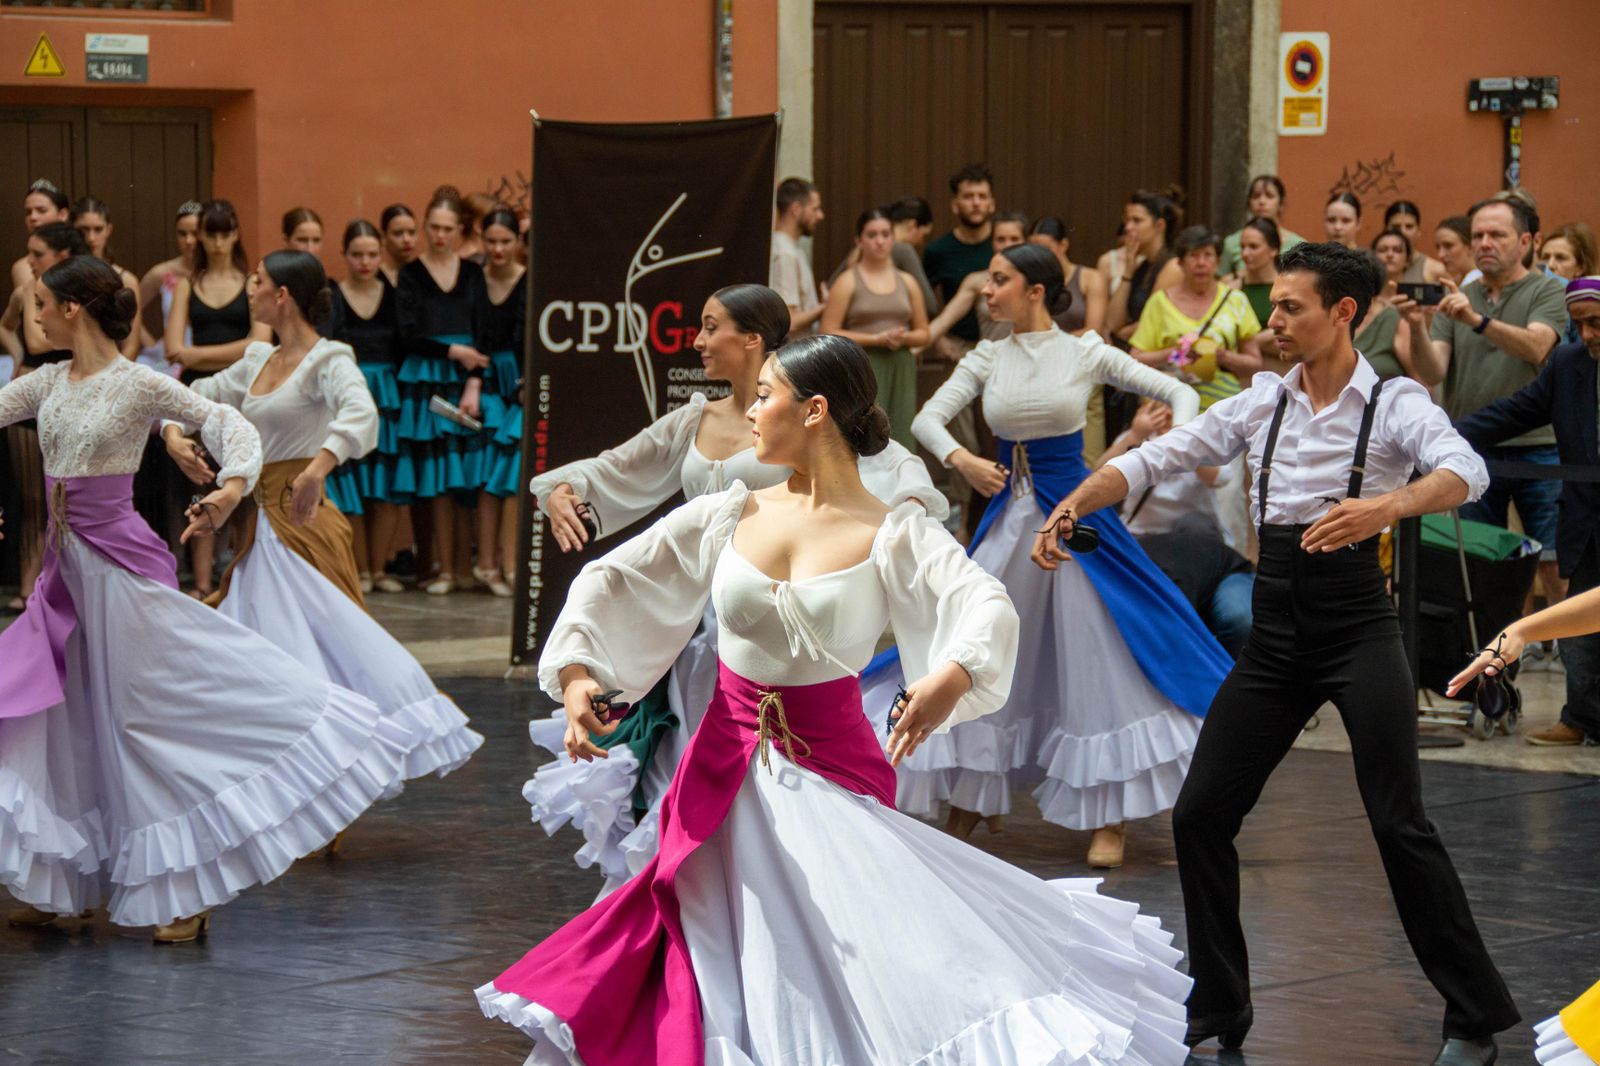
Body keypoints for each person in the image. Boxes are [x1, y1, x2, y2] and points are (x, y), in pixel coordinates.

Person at [477, 332, 1194, 1066]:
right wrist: (578, 678)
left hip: (832, 773)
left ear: (814, 410)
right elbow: (612, 579)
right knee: (718, 950)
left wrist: (948, 677)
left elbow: (982, 604)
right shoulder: (730, 512)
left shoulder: (892, 531)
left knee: (846, 959)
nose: (750, 412)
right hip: (718, 773)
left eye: (764, 396)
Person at [1042, 241, 1520, 1065]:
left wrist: (1385, 508)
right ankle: (1220, 1012)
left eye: (1290, 307)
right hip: (1275, 634)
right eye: (1274, 308)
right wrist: (1081, 495)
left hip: (1356, 628)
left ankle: (1473, 1015)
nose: (1274, 323)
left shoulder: (1395, 402)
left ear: (1344, 312)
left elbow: (1464, 471)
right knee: (1199, 817)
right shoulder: (1262, 401)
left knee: (1398, 822)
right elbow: (1164, 453)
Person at [0, 255, 407, 943]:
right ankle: (66, 880)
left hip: (122, 574)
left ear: (73, 309)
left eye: (40, 302)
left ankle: (187, 886)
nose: (31, 313)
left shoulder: (136, 385)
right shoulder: (45, 382)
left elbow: (231, 426)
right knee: (64, 716)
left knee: (142, 721)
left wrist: (231, 486)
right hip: (64, 579)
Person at [524, 284, 946, 894]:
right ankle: (685, 906)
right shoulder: (696, 421)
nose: (696, 340)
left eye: (709, 325)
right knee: (686, 776)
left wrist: (888, 526)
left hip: (774, 628)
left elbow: (890, 470)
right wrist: (567, 487)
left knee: (765, 791)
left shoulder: (808, 424)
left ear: (751, 339)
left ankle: (758, 903)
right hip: (687, 630)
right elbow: (620, 467)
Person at [878, 243, 1226, 871]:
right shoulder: (988, 355)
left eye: (1000, 282)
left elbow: (1180, 394)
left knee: (1098, 658)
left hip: (1078, 526)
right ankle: (970, 795)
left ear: (1036, 290)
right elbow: (928, 419)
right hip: (1010, 523)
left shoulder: (1084, 350)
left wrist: (1160, 450)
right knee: (977, 645)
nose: (987, 292)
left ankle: (1109, 815)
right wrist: (962, 459)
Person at [163, 248, 482, 818]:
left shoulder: (328, 359)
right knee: (262, 665)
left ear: (281, 295)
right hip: (260, 529)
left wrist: (318, 467)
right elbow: (193, 398)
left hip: (305, 527)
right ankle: (283, 791)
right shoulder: (257, 359)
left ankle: (326, 795)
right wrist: (170, 430)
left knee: (321, 665)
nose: (249, 290)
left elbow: (361, 415)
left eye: (256, 281)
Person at [1402, 195, 1570, 613]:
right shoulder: (1458, 296)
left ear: (1527, 241)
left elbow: (1536, 346)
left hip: (1542, 447)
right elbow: (1435, 369)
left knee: (1553, 562)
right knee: (1480, 562)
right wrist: (1416, 327)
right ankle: (1493, 661)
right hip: (1470, 447)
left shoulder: (1549, 289)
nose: (1484, 243)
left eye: (1497, 234)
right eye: (1477, 235)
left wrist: (1476, 320)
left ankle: (1570, 663)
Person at [1454, 276, 1600, 748]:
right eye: (1579, 325)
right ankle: (1580, 718)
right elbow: (1515, 412)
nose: (1588, 334)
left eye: (1596, 322)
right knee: (1579, 631)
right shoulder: (1568, 362)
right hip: (1587, 520)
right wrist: (1438, 436)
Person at [164, 199, 272, 597]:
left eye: (226, 233)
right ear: (201, 236)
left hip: (241, 389)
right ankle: (204, 583)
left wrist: (198, 354)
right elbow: (174, 348)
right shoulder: (188, 284)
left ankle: (241, 577)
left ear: (237, 234)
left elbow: (260, 344)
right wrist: (202, 355)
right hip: (196, 392)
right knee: (199, 481)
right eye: (212, 233)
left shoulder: (250, 282)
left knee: (241, 481)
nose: (218, 241)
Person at [1097, 398, 1253, 656]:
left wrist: (1182, 442)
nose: (1163, 415)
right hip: (1144, 546)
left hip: (1199, 546)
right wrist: (1136, 435)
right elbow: (1097, 474)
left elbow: (1221, 479)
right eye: (1154, 407)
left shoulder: (1200, 439)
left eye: (1169, 407)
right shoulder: (1135, 437)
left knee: (1241, 621)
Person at [395, 185, 490, 595]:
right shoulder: (411, 273)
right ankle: (441, 567)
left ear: (459, 230)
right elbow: (406, 334)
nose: (439, 235)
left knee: (464, 474)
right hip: (427, 378)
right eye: (432, 227)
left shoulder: (473, 273)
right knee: (432, 474)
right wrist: (452, 350)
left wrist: (474, 379)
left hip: (464, 378)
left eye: (447, 228)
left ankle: (465, 569)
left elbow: (484, 329)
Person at [0, 223, 88, 614]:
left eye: (38, 254)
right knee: (33, 502)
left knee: (68, 498)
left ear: (62, 256)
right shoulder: (26, 291)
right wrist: (18, 355)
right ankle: (28, 590)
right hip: (30, 400)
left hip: (71, 396)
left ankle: (61, 589)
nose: (30, 261)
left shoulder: (79, 294)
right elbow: (30, 338)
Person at [325, 219, 411, 592]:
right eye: (357, 254)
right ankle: (357, 570)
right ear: (344, 255)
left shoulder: (393, 294)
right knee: (356, 486)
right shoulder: (333, 296)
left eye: (372, 254)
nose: (364, 261)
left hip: (388, 397)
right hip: (350, 396)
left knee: (385, 486)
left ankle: (380, 569)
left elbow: (405, 345)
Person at [819, 207, 930, 449]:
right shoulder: (847, 280)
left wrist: (902, 338)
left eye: (885, 234)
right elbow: (828, 330)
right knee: (864, 432)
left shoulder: (907, 281)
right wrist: (876, 339)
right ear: (859, 240)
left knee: (901, 430)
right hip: (864, 363)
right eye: (871, 235)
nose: (879, 241)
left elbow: (924, 333)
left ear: (893, 238)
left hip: (901, 362)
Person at [459, 205, 526, 597]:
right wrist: (474, 381)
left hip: (517, 380)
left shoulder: (529, 280)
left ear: (517, 242)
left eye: (506, 241)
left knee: (513, 475)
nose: (498, 249)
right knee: (486, 475)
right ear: (482, 240)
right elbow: (472, 335)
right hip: (481, 379)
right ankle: (486, 565)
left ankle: (512, 566)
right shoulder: (473, 280)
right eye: (492, 241)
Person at [1129, 225, 1265, 410]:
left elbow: (1255, 364)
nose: (1201, 263)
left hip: (1222, 409)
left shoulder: (1235, 300)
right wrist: (1174, 352)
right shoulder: (1159, 302)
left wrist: (1222, 356)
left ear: (1217, 262)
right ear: (1180, 263)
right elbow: (1135, 359)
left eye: (1208, 255)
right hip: (1169, 408)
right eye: (1193, 256)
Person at [923, 210, 1029, 346]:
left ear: (1026, 241)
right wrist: (912, 348)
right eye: (1000, 239)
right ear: (992, 242)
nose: (1007, 245)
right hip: (991, 360)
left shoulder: (1038, 279)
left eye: (1014, 239)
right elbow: (943, 322)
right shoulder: (977, 281)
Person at [922, 163, 998, 347]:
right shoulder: (938, 250)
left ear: (991, 204)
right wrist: (939, 340)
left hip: (1000, 342)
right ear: (955, 205)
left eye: (982, 196)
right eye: (968, 196)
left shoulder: (1005, 243)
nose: (976, 203)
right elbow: (919, 303)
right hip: (958, 345)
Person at [826, 194, 939, 315]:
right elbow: (930, 307)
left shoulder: (865, 246)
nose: (921, 243)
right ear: (911, 225)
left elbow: (829, 291)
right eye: (923, 235)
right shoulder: (902, 251)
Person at [1102, 188, 1185, 344]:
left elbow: (1151, 322)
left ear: (1159, 225)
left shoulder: (1172, 266)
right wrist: (1127, 272)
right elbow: (1112, 323)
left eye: (1137, 221)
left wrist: (1124, 332)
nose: (1128, 227)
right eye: (1127, 221)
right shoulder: (1141, 265)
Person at [67, 197, 140, 359]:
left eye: (98, 229)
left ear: (109, 229)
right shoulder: (62, 277)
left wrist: (111, 380)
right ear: (72, 229)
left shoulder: (126, 280)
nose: (91, 238)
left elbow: (131, 346)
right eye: (83, 230)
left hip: (111, 370)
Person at [135, 201, 203, 371]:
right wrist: (149, 343)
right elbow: (130, 310)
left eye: (195, 233)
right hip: (170, 360)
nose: (189, 240)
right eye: (182, 234)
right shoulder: (161, 273)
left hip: (205, 355)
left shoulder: (217, 274)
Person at [1026, 215, 1108, 335]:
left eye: (1046, 249)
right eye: (1034, 250)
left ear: (1063, 245)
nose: (1039, 255)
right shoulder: (1030, 280)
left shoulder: (1091, 278)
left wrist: (1057, 344)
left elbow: (1094, 330)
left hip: (1082, 350)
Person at [768, 177, 825, 339]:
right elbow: (789, 322)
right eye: (815, 209)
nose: (820, 215)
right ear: (796, 209)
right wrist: (826, 307)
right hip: (791, 356)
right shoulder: (785, 253)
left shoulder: (793, 249)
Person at [1218, 174, 1305, 277]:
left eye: (1269, 196)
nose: (1262, 201)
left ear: (1281, 203)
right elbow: (1219, 280)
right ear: (1249, 203)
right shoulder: (1231, 243)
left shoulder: (1298, 245)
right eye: (1256, 196)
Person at [1225, 217, 1282, 359]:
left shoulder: (1289, 287)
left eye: (1253, 247)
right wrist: (1267, 339)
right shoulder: (1232, 289)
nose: (1245, 253)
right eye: (1242, 247)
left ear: (1273, 249)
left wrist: (1248, 344)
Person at [8, 179, 70, 300]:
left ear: (63, 214)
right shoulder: (24, 267)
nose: (33, 217)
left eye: (41, 210)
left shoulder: (83, 260)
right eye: (28, 212)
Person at [1384, 200, 1450, 283]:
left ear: (1418, 231)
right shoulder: (1372, 270)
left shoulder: (1435, 271)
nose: (1403, 232)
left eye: (1409, 226)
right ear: (1385, 231)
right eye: (1396, 227)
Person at [378, 203, 418, 286]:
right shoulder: (374, 279)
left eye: (411, 232)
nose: (406, 239)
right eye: (398, 233)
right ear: (383, 237)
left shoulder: (424, 275)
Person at [1435, 214, 1479, 286]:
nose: (1440, 255)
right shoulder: (1455, 282)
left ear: (1470, 246)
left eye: (1448, 246)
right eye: (1438, 247)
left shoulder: (1477, 283)